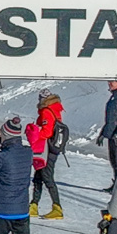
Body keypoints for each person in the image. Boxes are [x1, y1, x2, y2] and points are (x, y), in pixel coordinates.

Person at [29, 88, 64, 218]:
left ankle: (57, 207)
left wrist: (35, 136)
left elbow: (47, 132)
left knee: (47, 177)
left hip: (46, 149)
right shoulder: (55, 109)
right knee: (38, 176)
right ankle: (33, 205)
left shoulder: (46, 111)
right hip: (50, 148)